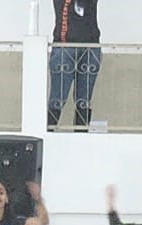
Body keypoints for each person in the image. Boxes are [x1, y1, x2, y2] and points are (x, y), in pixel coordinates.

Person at [49, 0, 102, 131]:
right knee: (58, 98)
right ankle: (46, 134)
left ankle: (81, 135)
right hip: (65, 46)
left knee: (84, 100)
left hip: (91, 45)